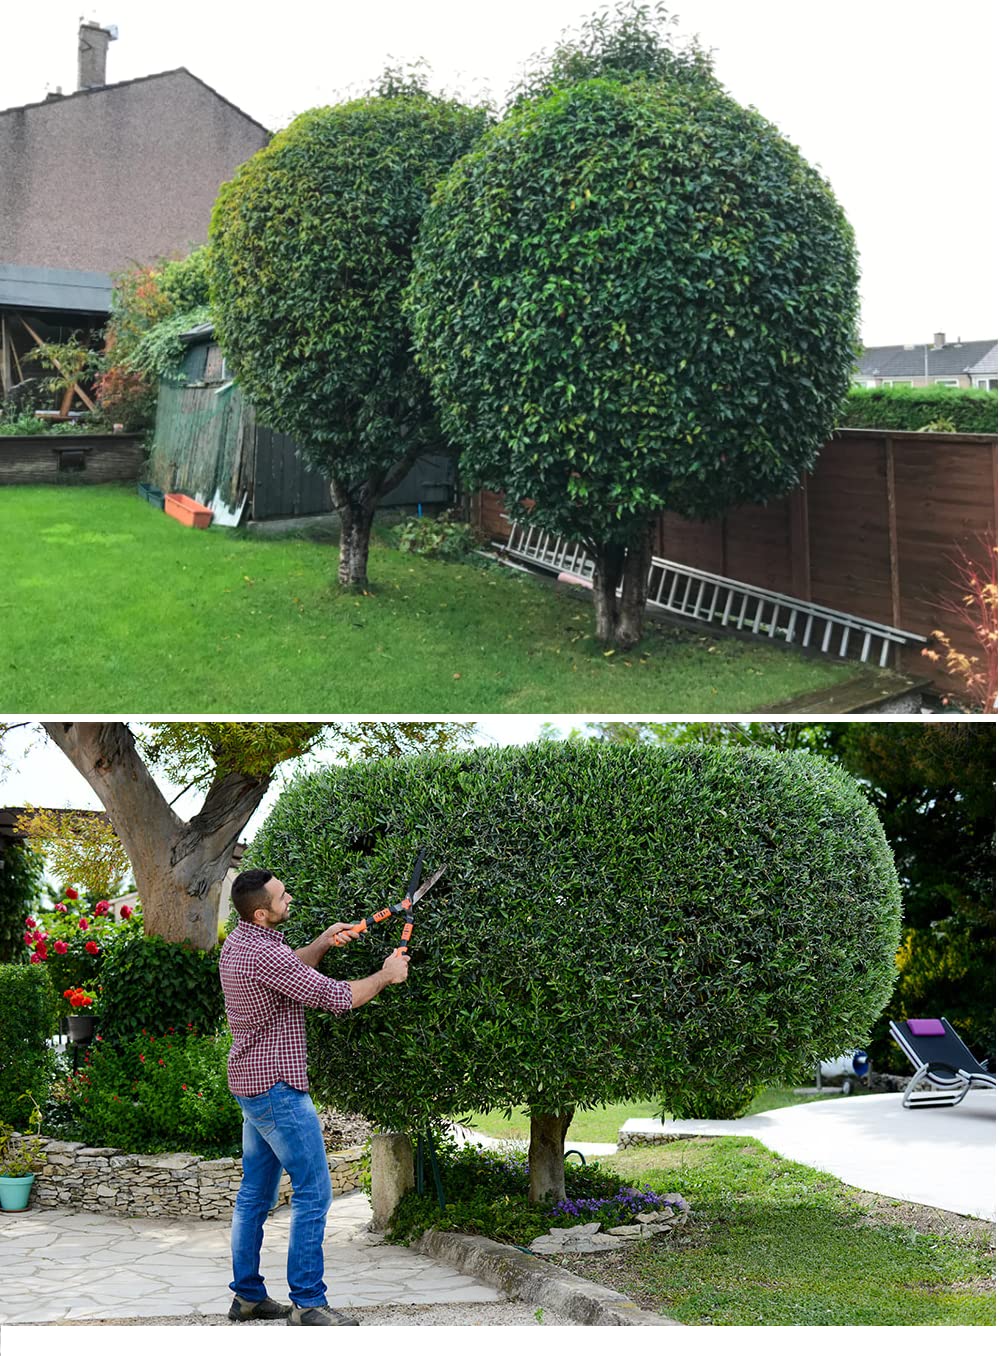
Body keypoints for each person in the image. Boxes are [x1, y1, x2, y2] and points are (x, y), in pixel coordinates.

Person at [219, 867, 409, 1327]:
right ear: (262, 913)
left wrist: (323, 942)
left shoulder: (241, 942)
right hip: (278, 1089)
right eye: (282, 898)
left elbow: (288, 970)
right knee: (314, 1192)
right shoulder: (266, 953)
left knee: (254, 1194)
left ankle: (246, 1298)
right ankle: (307, 1302)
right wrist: (385, 975)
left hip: (251, 1084)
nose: (290, 899)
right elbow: (337, 997)